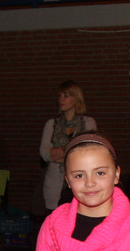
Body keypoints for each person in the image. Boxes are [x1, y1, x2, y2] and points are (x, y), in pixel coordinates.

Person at [38, 81, 96, 212]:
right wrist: (71, 151)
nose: (61, 99)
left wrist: (60, 154)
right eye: (59, 96)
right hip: (55, 183)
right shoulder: (52, 124)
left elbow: (89, 151)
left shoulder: (88, 123)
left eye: (66, 96)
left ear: (76, 98)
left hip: (80, 181)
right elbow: (45, 153)